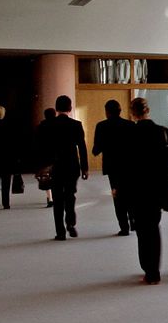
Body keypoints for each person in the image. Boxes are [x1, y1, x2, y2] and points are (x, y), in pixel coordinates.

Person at [127, 97, 168, 285]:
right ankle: (154, 270)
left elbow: (126, 165)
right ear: (148, 111)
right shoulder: (162, 132)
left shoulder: (130, 134)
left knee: (141, 228)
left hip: (137, 187)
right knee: (154, 226)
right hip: (157, 186)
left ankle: (147, 267)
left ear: (133, 113)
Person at [37, 95, 88, 241]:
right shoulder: (76, 125)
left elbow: (41, 148)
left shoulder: (46, 125)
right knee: (70, 195)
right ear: (70, 108)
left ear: (56, 108)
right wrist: (84, 167)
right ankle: (70, 223)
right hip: (72, 165)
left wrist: (42, 166)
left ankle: (60, 232)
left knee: (57, 198)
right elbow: (82, 148)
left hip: (55, 166)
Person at [92, 100, 136, 236]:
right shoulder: (130, 125)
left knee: (118, 197)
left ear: (107, 112)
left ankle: (124, 227)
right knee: (130, 193)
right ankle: (133, 220)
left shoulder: (101, 126)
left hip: (113, 167)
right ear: (120, 111)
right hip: (129, 166)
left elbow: (96, 149)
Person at [34, 108, 56, 208]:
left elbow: (36, 144)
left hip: (44, 156)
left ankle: (50, 198)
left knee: (46, 178)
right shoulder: (58, 126)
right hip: (56, 156)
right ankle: (56, 196)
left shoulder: (40, 127)